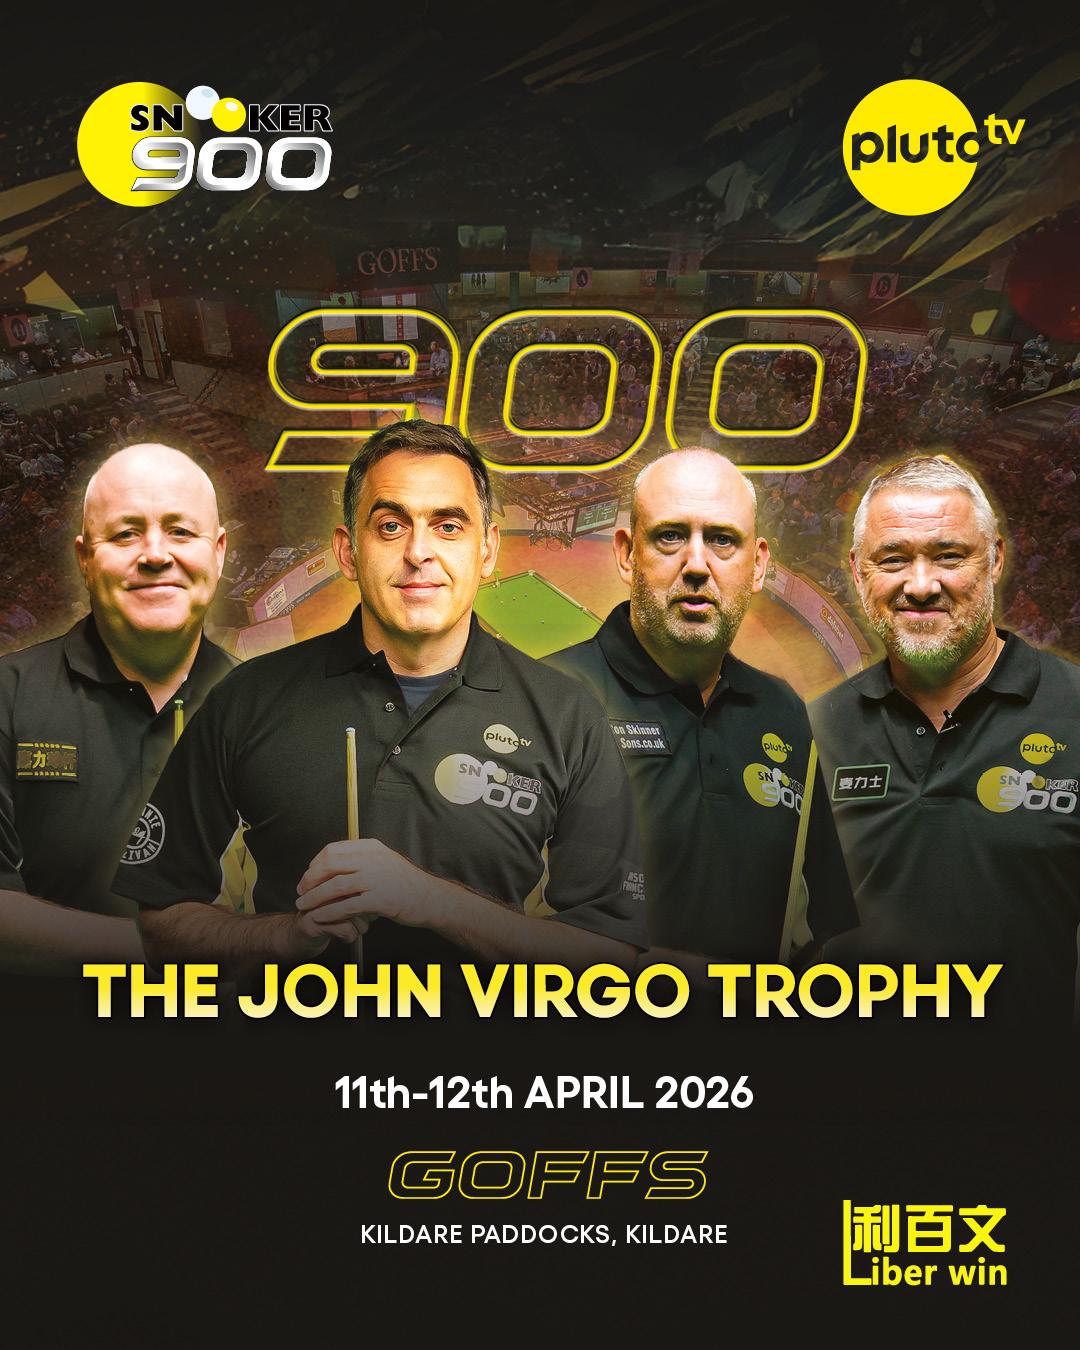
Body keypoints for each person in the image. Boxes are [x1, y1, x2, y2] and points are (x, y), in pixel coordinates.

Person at [117, 419, 646, 975]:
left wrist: (430, 900)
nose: (419, 552)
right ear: (348, 552)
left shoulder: (567, 714)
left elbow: (611, 954)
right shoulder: (245, 698)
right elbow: (160, 921)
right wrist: (287, 937)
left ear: (487, 549)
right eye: (391, 526)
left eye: (448, 526)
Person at [545, 449, 856, 967]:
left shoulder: (783, 711)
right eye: (670, 536)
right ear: (627, 554)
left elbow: (828, 917)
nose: (696, 565)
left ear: (757, 565)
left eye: (722, 539)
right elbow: (480, 921)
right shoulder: (546, 695)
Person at [809, 454, 1080, 1021]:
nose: (921, 585)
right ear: (858, 571)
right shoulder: (812, 732)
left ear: (996, 558)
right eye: (893, 559)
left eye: (948, 556)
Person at [0, 444, 233, 977]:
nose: (155, 554)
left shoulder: (270, 707)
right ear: (85, 559)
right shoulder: (6, 696)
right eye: (126, 534)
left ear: (218, 552)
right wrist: (171, 951)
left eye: (180, 531)